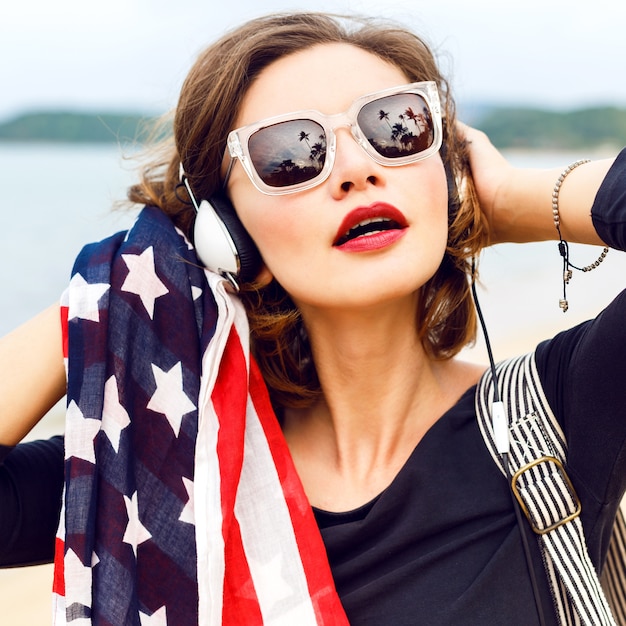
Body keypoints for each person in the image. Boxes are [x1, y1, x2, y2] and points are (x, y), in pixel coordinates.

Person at [1, 10, 625, 626]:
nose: (357, 170)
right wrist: (114, 294)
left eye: (396, 126)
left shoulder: (561, 409)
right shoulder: (168, 471)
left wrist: (517, 202)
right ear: (231, 234)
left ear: (450, 176)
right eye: (291, 153)